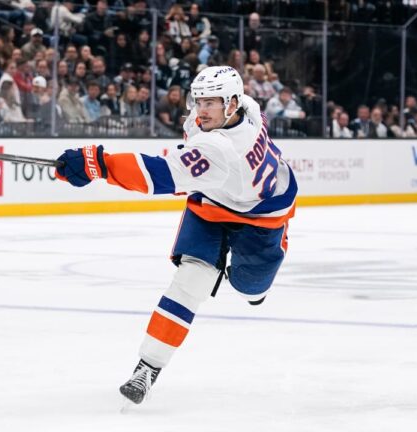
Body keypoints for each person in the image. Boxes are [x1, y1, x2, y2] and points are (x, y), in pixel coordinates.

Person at [53, 65, 297, 406]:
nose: (201, 110)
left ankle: (258, 275)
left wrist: (96, 164)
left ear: (231, 103)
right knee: (190, 282)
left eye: (210, 103)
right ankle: (148, 366)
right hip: (213, 204)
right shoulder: (247, 108)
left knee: (251, 289)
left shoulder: (221, 148)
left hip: (263, 217)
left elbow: (158, 175)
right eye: (199, 101)